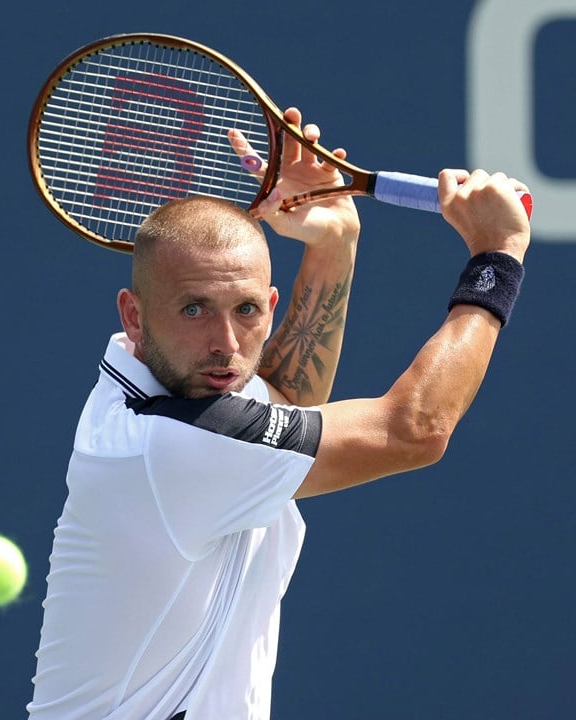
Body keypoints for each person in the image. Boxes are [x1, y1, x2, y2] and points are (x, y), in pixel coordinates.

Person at [26, 107, 531, 720]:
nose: (225, 341)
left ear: (271, 303)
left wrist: (334, 244)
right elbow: (414, 429)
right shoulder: (170, 442)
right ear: (133, 314)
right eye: (193, 310)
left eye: (245, 311)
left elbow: (283, 403)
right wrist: (497, 257)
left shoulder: (168, 392)